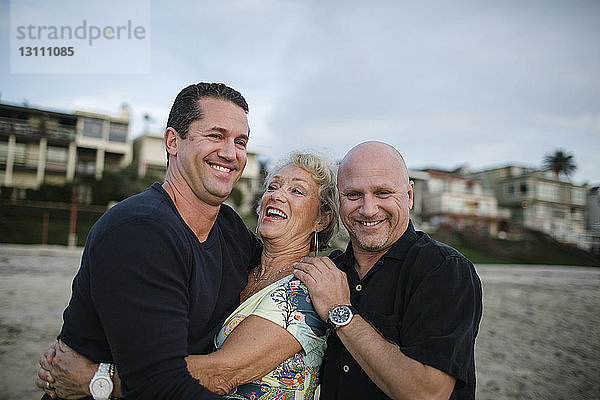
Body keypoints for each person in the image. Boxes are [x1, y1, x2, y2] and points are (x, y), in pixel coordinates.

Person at [37, 152, 339, 400]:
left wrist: (95, 378)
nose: (277, 196)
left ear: (322, 219)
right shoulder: (243, 261)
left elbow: (220, 372)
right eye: (272, 187)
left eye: (296, 191)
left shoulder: (308, 287)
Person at [36, 82, 265, 400]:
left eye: (241, 142)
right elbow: (161, 387)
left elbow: (281, 263)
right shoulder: (140, 231)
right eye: (215, 136)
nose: (231, 153)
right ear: (173, 141)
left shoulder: (229, 228)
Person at [294, 141, 483, 400]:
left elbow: (427, 393)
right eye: (353, 195)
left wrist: (341, 313)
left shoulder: (444, 269)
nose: (368, 209)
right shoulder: (329, 272)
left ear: (409, 196)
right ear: (339, 199)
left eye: (382, 193)